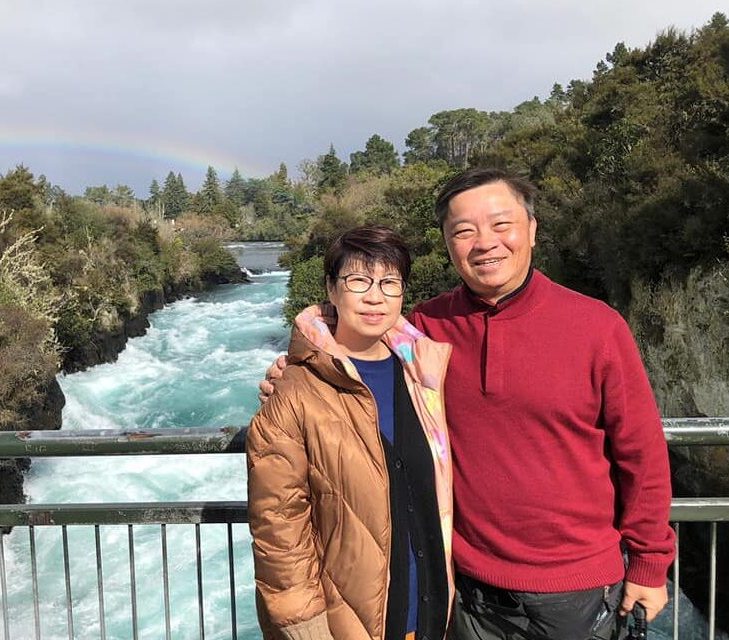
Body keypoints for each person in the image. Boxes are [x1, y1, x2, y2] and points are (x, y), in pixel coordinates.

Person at [260, 168, 676, 640]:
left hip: (577, 589)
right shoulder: (424, 330)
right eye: (464, 231)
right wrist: (293, 371)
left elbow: (641, 453)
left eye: (501, 225)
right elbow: (346, 341)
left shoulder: (598, 327)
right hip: (466, 589)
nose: (484, 243)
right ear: (447, 243)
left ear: (532, 230)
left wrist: (648, 562)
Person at [247, 225, 454, 640]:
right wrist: (306, 630)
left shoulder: (423, 376)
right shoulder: (295, 391)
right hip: (348, 626)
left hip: (433, 613)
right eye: (358, 280)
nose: (374, 296)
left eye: (389, 282)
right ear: (331, 288)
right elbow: (278, 527)